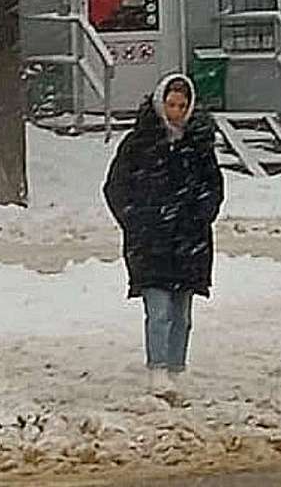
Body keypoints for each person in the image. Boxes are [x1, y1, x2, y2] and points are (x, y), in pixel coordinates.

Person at [103, 73, 224, 394]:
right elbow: (116, 187)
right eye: (171, 104)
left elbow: (213, 188)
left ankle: (175, 368)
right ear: (159, 103)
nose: (176, 111)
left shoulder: (198, 145)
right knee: (158, 312)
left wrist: (199, 218)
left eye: (182, 105)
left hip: (189, 241)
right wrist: (137, 222)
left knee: (182, 314)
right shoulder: (139, 143)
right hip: (150, 242)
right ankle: (157, 369)